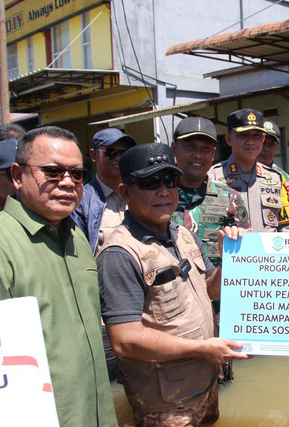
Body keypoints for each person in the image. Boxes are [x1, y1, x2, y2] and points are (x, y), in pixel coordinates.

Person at [0, 126, 118, 427]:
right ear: (17, 176)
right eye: (52, 172)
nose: (67, 182)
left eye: (77, 174)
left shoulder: (75, 237)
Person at [97, 143, 251, 426]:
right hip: (165, 404)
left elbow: (210, 289)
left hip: (204, 384)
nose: (164, 191)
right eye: (150, 182)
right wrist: (203, 349)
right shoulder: (120, 254)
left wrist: (230, 258)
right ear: (125, 192)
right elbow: (125, 341)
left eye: (170, 180)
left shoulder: (183, 235)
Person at [171, 116, 250, 265]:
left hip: (215, 285)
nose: (198, 155)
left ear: (213, 154)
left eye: (205, 149)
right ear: (174, 149)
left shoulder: (232, 199)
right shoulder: (158, 196)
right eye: (190, 146)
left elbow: (243, 256)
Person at [209, 109, 289, 232]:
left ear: (262, 138)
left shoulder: (276, 179)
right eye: (243, 135)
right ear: (229, 139)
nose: (250, 142)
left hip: (269, 251)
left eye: (256, 136)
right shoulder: (212, 177)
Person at [72, 127, 137, 254]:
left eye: (124, 152)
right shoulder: (81, 201)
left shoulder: (139, 194)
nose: (118, 157)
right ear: (93, 155)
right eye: (111, 152)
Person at [258, 120, 289, 226]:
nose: (266, 148)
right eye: (263, 143)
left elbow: (288, 222)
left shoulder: (284, 178)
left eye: (271, 144)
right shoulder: (240, 173)